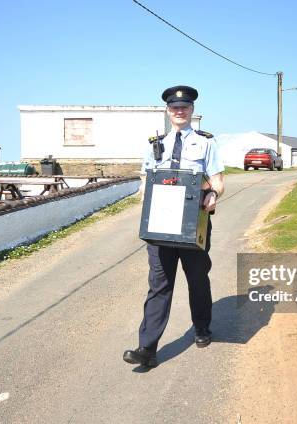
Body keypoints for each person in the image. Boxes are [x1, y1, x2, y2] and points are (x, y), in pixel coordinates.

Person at [123, 85, 225, 368]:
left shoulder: (206, 143)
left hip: (193, 224)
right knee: (159, 285)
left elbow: (217, 182)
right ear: (167, 111)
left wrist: (213, 196)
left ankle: (202, 327)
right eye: (174, 107)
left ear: (192, 110)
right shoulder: (154, 143)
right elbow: (147, 181)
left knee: (197, 279)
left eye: (184, 107)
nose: (179, 111)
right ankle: (147, 348)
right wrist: (145, 207)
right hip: (160, 225)